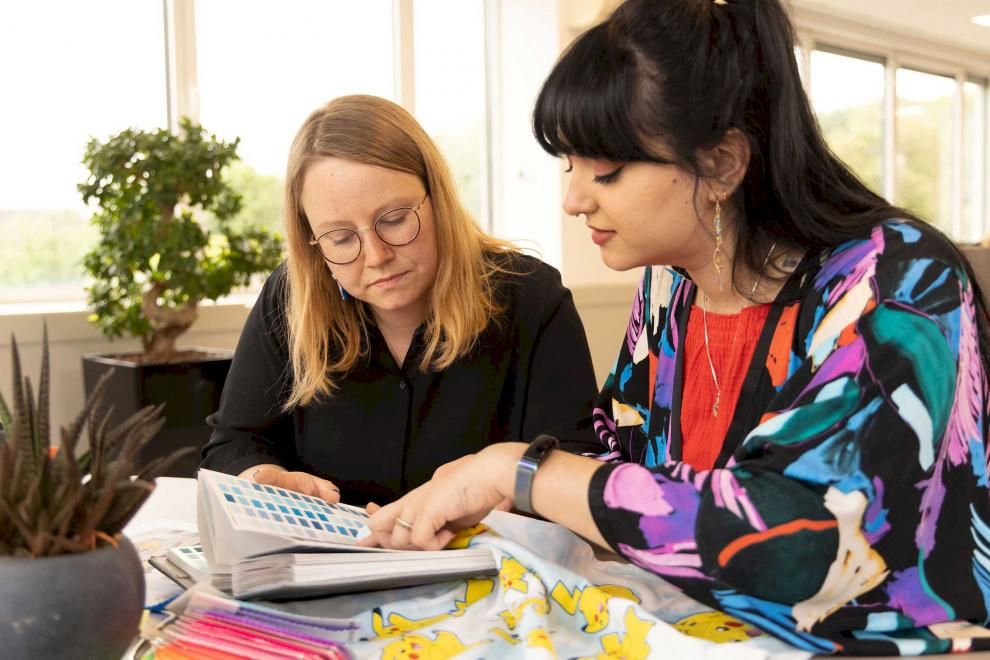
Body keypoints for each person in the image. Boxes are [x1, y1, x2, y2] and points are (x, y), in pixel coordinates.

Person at [362, 1, 990, 655]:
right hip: (696, 626)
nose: (574, 199)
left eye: (606, 171)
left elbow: (796, 543)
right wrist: (494, 497)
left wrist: (516, 472)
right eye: (569, 166)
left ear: (721, 164)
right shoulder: (670, 286)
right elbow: (619, 460)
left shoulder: (896, 282)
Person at [200, 95, 599, 507]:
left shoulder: (532, 298)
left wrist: (504, 492)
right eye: (341, 238)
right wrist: (261, 477)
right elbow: (233, 444)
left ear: (437, 198)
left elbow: (577, 465)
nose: (376, 256)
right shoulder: (290, 299)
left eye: (394, 220)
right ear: (312, 242)